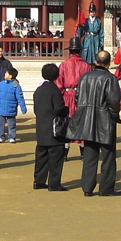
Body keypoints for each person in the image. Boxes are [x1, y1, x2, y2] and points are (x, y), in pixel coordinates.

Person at [67, 50, 121, 196]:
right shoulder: (110, 79)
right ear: (109, 63)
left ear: (96, 62)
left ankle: (87, 188)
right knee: (108, 156)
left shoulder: (85, 77)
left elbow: (78, 97)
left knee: (90, 155)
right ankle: (106, 188)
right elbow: (114, 100)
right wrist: (114, 115)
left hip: (87, 118)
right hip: (105, 119)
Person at [33, 63, 68, 191]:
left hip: (41, 127)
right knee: (56, 158)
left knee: (41, 157)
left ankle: (39, 181)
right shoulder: (55, 90)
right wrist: (66, 110)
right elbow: (59, 109)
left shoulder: (38, 90)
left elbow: (36, 109)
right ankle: (54, 183)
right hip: (54, 129)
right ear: (57, 75)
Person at [56, 36, 92, 117]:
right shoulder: (87, 65)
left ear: (70, 51)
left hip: (67, 97)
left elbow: (59, 85)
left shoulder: (63, 65)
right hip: (83, 97)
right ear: (80, 51)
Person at [0, 67, 27, 142]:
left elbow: (20, 97)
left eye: (6, 73)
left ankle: (12, 136)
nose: (5, 74)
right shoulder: (1, 84)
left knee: (11, 124)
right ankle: (0, 136)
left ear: (10, 76)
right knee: (0, 124)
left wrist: (23, 107)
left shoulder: (16, 85)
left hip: (11, 108)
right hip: (1, 108)